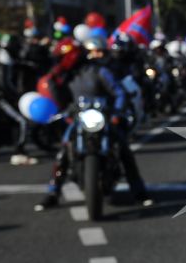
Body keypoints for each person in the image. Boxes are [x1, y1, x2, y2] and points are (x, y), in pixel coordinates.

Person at [35, 30, 153, 211]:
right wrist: (55, 88)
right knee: (63, 152)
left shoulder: (100, 71)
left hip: (103, 117)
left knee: (123, 149)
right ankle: (52, 192)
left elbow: (119, 92)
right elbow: (58, 98)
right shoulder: (65, 77)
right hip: (78, 118)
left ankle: (139, 191)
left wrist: (116, 113)